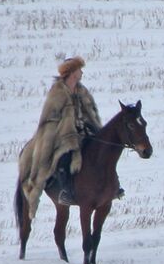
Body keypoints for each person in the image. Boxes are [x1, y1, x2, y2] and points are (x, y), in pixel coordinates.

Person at [20, 56, 104, 211]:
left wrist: (90, 127)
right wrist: (67, 129)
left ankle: (111, 185)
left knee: (101, 151)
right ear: (72, 72)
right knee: (65, 155)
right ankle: (66, 191)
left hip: (81, 131)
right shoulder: (57, 93)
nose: (82, 73)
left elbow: (90, 113)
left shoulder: (81, 90)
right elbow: (49, 118)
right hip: (60, 135)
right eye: (79, 70)